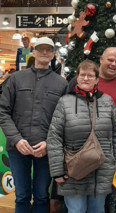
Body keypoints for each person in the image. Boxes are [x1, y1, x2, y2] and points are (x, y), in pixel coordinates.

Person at [46, 59, 116, 213]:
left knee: (97, 210)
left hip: (101, 169)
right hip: (73, 170)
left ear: (97, 79)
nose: (86, 78)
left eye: (90, 75)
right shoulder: (65, 102)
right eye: (82, 75)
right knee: (76, 210)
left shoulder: (107, 102)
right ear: (77, 77)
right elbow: (54, 136)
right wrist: (57, 170)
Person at [0, 37, 68, 213]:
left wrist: (49, 144)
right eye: (41, 48)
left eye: (48, 49)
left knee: (41, 196)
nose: (44, 52)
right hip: (18, 149)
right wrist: (16, 139)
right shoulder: (16, 79)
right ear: (33, 52)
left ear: (53, 54)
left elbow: (64, 119)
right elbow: (3, 111)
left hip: (46, 150)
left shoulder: (61, 84)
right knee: (21, 196)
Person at [67, 47, 116, 212]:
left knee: (100, 206)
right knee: (77, 207)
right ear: (101, 59)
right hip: (79, 154)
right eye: (110, 60)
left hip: (111, 155)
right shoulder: (80, 81)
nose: (113, 64)